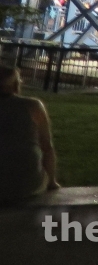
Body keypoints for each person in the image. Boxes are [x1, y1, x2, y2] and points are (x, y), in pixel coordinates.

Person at [0, 66, 59, 202]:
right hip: (27, 185)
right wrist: (51, 182)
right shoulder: (33, 106)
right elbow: (47, 147)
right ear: (16, 84)